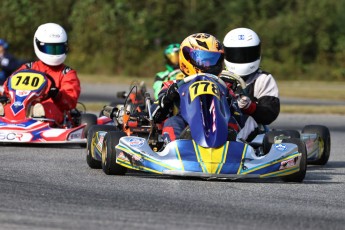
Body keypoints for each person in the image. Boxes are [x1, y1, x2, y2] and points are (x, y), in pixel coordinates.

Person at [1, 23, 81, 125]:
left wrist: (57, 95)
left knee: (44, 108)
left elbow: (70, 102)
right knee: (6, 106)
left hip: (53, 113)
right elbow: (9, 86)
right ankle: (8, 119)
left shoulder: (67, 73)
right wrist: (4, 95)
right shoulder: (27, 68)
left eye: (58, 49)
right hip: (22, 107)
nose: (54, 53)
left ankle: (36, 117)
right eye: (49, 49)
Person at [152, 33, 225, 142]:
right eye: (204, 60)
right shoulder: (173, 84)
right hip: (186, 122)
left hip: (216, 121)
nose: (208, 65)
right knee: (172, 122)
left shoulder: (223, 85)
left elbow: (235, 109)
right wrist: (168, 97)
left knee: (232, 121)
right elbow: (154, 114)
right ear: (187, 58)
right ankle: (176, 150)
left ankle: (239, 149)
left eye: (212, 60)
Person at [221, 27, 280, 141]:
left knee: (246, 120)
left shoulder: (263, 79)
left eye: (247, 54)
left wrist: (250, 107)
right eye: (236, 54)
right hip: (220, 121)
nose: (241, 59)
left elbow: (270, 112)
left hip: (253, 129)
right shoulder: (219, 78)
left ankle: (233, 144)